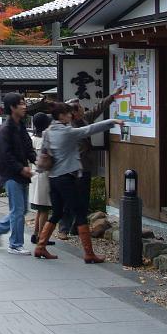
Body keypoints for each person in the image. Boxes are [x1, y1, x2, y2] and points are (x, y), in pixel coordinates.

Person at [33, 102, 122, 262]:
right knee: (80, 213)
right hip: (66, 178)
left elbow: (45, 153)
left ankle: (40, 247)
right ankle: (89, 254)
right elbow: (88, 129)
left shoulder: (48, 131)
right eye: (68, 114)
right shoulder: (67, 132)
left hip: (53, 178)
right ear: (61, 116)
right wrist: (112, 122)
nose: (71, 116)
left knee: (58, 212)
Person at [57, 87, 122, 240]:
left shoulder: (85, 119)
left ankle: (76, 228)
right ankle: (63, 229)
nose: (82, 108)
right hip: (71, 169)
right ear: (73, 113)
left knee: (83, 200)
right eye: (78, 107)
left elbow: (98, 108)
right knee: (69, 200)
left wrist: (113, 96)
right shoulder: (68, 127)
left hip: (84, 167)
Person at [0, 93, 36, 255]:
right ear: (12, 107)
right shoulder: (5, 130)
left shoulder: (21, 126)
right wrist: (21, 169)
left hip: (22, 173)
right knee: (18, 210)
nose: (24, 106)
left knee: (21, 211)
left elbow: (28, 148)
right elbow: (5, 155)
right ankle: (15, 244)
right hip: (11, 175)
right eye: (21, 104)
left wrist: (36, 161)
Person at [29, 112, 55, 247]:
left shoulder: (32, 138)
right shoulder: (46, 139)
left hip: (34, 173)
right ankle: (41, 237)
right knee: (44, 207)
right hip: (44, 175)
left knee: (40, 208)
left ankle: (36, 233)